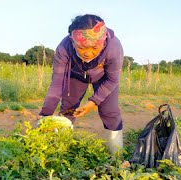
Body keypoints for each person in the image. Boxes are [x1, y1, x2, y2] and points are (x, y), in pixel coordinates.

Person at [39, 14, 124, 154]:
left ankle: (116, 156)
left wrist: (93, 102)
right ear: (73, 42)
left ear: (103, 42)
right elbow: (56, 84)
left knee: (110, 111)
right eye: (82, 48)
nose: (88, 53)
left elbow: (112, 80)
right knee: (68, 109)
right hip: (76, 75)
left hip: (104, 78)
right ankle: (62, 152)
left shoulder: (114, 47)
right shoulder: (63, 48)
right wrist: (45, 114)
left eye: (94, 48)